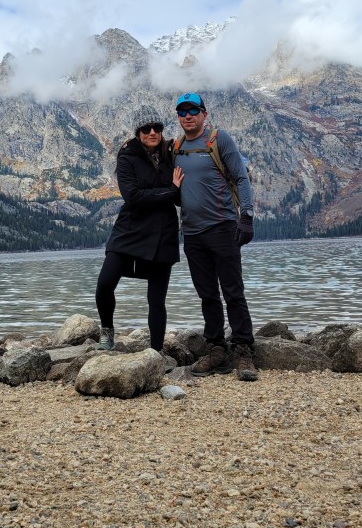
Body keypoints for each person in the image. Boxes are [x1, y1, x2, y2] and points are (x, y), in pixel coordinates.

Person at [173, 92, 258, 381]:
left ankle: (244, 350)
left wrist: (246, 217)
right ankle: (216, 350)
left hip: (222, 227)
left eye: (193, 111)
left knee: (233, 291)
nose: (188, 116)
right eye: (182, 112)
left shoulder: (219, 140)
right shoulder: (177, 147)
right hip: (192, 233)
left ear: (204, 114)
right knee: (207, 294)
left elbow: (241, 178)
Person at [95, 107, 183, 356]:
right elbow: (132, 197)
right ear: (138, 132)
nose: (153, 132)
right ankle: (107, 332)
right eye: (146, 129)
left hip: (163, 233)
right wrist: (170, 191)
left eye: (157, 127)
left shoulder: (171, 154)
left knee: (156, 300)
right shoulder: (126, 157)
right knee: (104, 284)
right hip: (129, 229)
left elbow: (181, 195)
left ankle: (155, 352)